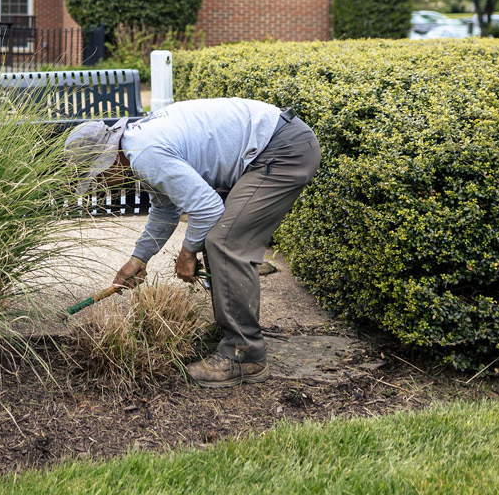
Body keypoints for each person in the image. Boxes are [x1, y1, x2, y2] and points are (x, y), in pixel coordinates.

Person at [64, 98, 321, 387]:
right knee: (219, 236)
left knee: (225, 242)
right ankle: (232, 331)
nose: (101, 184)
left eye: (97, 177)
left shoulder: (145, 153)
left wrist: (187, 254)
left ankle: (245, 354)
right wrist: (139, 258)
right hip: (274, 145)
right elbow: (167, 208)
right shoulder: (138, 144)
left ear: (108, 159)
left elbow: (208, 208)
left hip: (282, 150)